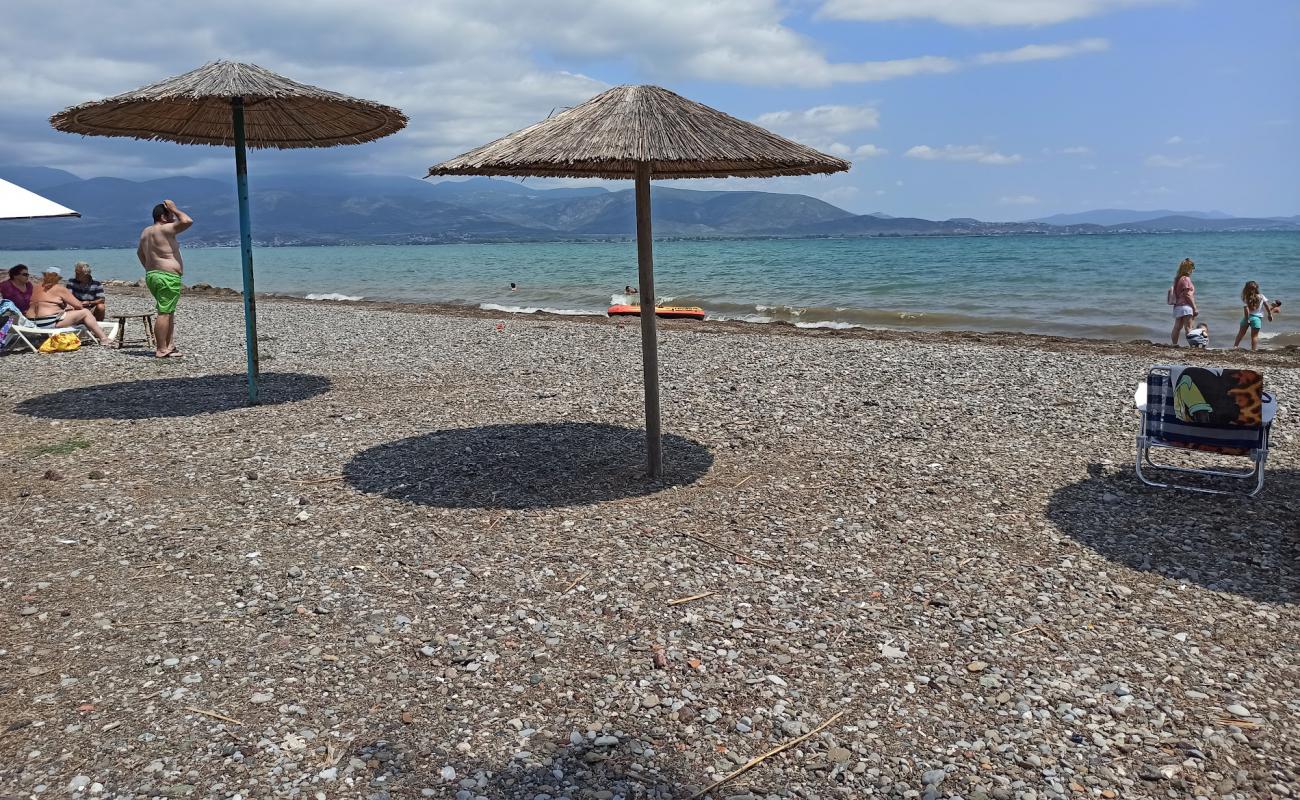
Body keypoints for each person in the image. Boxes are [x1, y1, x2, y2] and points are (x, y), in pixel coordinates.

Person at [137, 199, 192, 358]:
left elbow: (140, 253)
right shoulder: (166, 229)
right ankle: (161, 348)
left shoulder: (146, 232)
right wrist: (175, 208)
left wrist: (150, 268)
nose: (173, 217)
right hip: (167, 277)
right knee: (164, 312)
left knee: (168, 311)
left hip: (152, 275)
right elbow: (187, 221)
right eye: (170, 215)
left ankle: (169, 345)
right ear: (163, 217)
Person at [26, 267, 116, 346]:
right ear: (57, 278)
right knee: (85, 312)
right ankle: (104, 338)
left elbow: (45, 302)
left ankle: (95, 329)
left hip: (32, 322)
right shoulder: (58, 288)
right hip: (47, 322)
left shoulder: (35, 287)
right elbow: (79, 305)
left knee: (69, 313)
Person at [1232, 281, 1274, 351]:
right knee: (1254, 336)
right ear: (1257, 288)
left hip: (1247, 317)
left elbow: (1246, 309)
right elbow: (1267, 306)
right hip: (1256, 319)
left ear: (1245, 289)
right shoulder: (1261, 296)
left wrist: (1247, 319)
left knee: (1240, 334)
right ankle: (1253, 349)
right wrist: (1269, 314)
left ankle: (1235, 346)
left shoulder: (1246, 298)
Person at [1168, 258, 1197, 346]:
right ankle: (1192, 345)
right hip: (1186, 307)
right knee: (1188, 328)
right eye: (1192, 267)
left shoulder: (1177, 279)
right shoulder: (1186, 279)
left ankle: (1174, 344)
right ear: (1189, 268)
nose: (1193, 270)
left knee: (1177, 327)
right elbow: (1187, 295)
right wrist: (1194, 307)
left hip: (1178, 306)